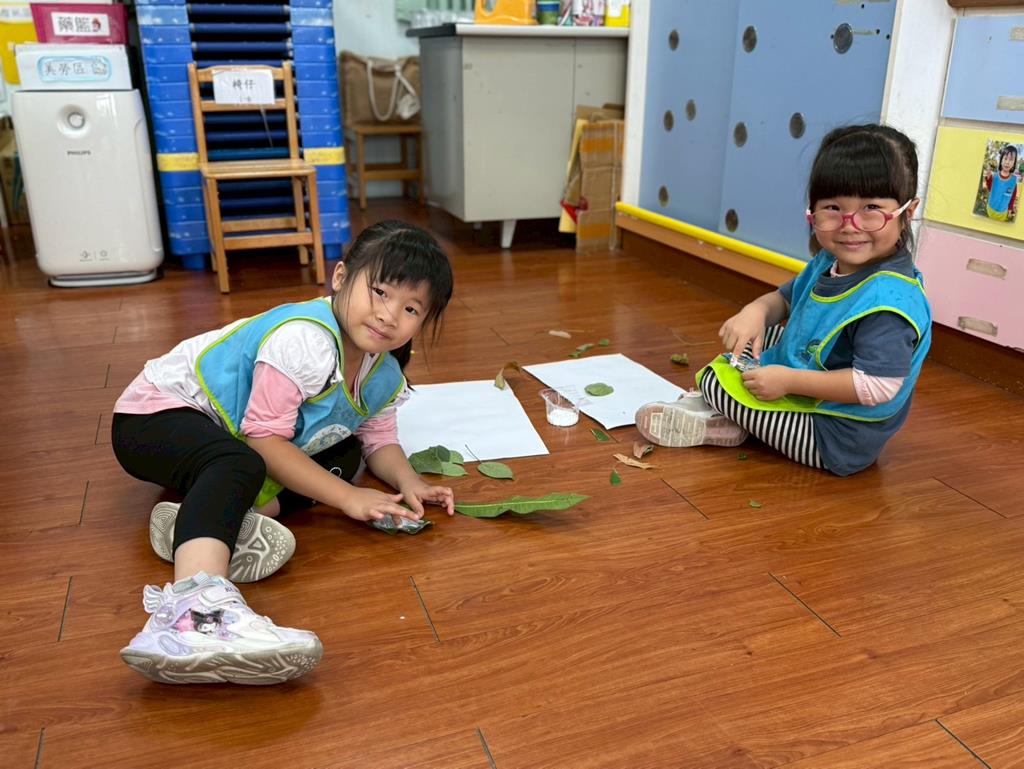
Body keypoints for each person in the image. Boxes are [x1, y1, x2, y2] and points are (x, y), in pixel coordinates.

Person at [112, 220, 455, 684]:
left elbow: (379, 439)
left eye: (411, 308)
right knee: (240, 462)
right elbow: (262, 438)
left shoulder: (384, 374)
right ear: (340, 278)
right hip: (153, 418)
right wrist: (350, 499)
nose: (389, 315)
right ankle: (190, 615)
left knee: (345, 455)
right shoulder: (305, 340)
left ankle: (211, 522)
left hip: (226, 438)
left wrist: (409, 480)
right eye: (379, 292)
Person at [636, 124, 931, 477]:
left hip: (834, 437)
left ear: (907, 213)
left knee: (715, 381)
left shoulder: (888, 302)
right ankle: (730, 418)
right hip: (817, 394)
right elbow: (787, 301)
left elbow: (878, 386)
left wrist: (788, 381)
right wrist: (756, 311)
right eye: (833, 208)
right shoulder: (831, 260)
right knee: (757, 337)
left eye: (871, 208)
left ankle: (722, 412)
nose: (849, 225)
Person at [983, 144, 1020, 222]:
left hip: (1002, 213)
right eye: (1005, 158)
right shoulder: (995, 176)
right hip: (990, 208)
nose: (1007, 162)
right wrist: (988, 179)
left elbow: (1013, 197)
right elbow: (990, 189)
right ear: (1001, 160)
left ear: (1014, 163)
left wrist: (1010, 209)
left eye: (1011, 159)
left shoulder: (1013, 181)